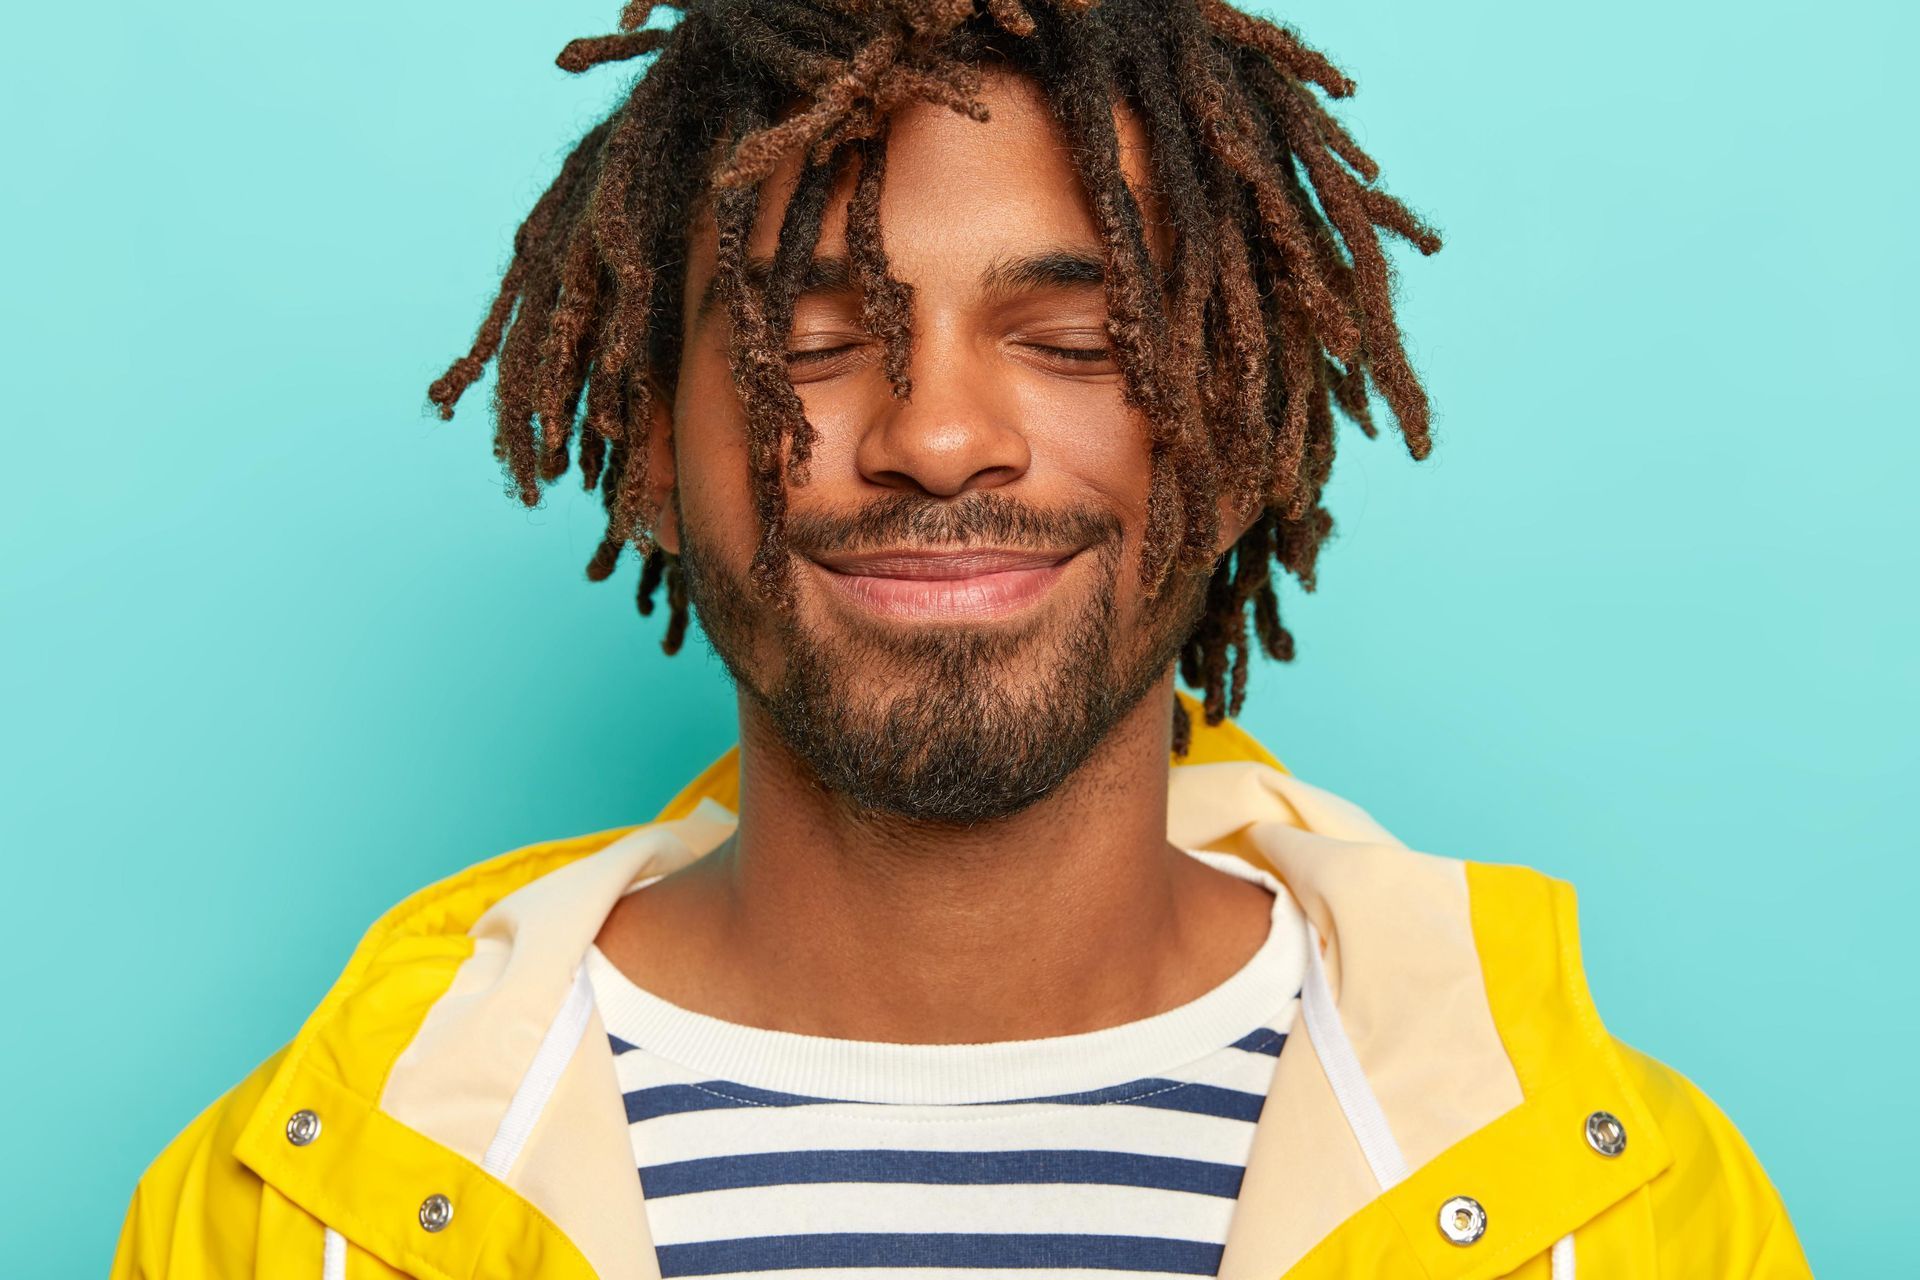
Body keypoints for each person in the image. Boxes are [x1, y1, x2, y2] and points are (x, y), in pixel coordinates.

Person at [112, 2, 1812, 1276]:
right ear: (647, 446)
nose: (938, 437)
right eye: (813, 339)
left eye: (1075, 339)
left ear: (1235, 427)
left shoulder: (1639, 1211)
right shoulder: (276, 1214)